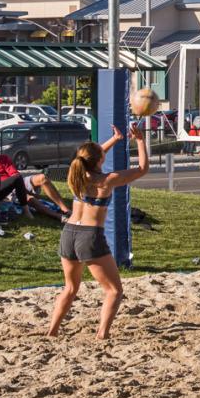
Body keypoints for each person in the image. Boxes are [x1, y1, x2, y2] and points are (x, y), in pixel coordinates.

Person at [45, 127, 148, 340]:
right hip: (89, 236)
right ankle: (102, 334)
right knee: (114, 291)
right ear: (99, 160)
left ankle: (52, 331)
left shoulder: (75, 176)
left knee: (70, 288)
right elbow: (142, 169)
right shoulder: (106, 181)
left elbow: (90, 156)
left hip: (69, 233)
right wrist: (139, 140)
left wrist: (115, 139)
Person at [0, 136, 70, 220]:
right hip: (0, 189)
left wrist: (19, 187)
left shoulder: (3, 158)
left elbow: (15, 174)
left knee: (42, 178)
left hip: (15, 182)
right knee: (29, 197)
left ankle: (65, 209)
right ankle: (58, 217)